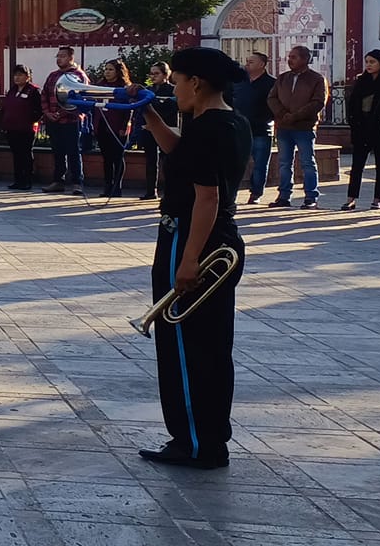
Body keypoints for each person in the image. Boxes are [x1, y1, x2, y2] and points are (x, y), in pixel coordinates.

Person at [134, 46, 250, 470]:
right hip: (214, 239)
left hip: (193, 238)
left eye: (178, 81)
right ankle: (205, 438)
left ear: (195, 83)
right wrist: (149, 115)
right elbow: (181, 154)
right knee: (210, 344)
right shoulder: (228, 121)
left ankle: (194, 442)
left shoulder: (208, 129)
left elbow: (207, 197)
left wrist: (188, 259)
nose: (175, 89)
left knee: (185, 345)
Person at [267, 45, 327, 209]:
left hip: (304, 127)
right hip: (284, 127)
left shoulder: (316, 79)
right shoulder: (283, 78)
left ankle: (311, 197)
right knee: (284, 163)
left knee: (307, 162)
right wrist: (282, 113)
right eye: (290, 56)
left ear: (305, 59)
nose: (290, 60)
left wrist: (295, 116)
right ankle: (284, 196)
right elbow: (272, 98)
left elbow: (318, 102)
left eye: (294, 57)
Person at [342, 49, 380, 211]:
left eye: (372, 62)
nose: (368, 65)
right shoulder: (361, 82)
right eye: (367, 61)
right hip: (362, 129)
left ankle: (377, 199)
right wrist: (354, 122)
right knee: (357, 166)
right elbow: (352, 105)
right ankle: (351, 198)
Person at [40, 47, 89, 194]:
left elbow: (80, 98)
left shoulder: (79, 76)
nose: (59, 59)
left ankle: (77, 183)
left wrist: (61, 113)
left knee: (73, 151)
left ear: (70, 58)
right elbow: (45, 94)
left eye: (62, 56)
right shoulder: (53, 76)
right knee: (57, 152)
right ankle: (58, 181)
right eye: (58, 56)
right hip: (53, 121)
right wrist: (48, 112)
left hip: (71, 120)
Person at [231, 52, 273, 205]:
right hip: (240, 129)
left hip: (261, 129)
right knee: (236, 164)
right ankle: (232, 194)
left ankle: (256, 193)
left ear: (262, 65)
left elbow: (275, 104)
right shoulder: (239, 82)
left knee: (260, 164)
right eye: (247, 61)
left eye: (251, 62)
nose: (247, 64)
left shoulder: (271, 83)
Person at [91, 59, 136, 199]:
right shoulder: (100, 85)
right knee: (107, 158)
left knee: (117, 157)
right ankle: (107, 186)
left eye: (111, 69)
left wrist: (124, 127)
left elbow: (128, 110)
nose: (107, 72)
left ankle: (117, 187)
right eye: (106, 69)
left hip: (117, 127)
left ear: (118, 71)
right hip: (102, 125)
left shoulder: (124, 87)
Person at [0, 65, 45, 192]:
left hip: (26, 128)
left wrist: (30, 119)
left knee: (26, 154)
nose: (17, 77)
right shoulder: (12, 91)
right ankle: (18, 180)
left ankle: (27, 180)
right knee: (16, 154)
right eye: (15, 75)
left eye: (20, 75)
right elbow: (6, 107)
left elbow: (39, 110)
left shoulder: (34, 91)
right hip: (12, 127)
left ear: (27, 76)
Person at [138, 61, 178, 200]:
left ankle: (170, 191)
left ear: (166, 74)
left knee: (168, 161)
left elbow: (171, 108)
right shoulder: (148, 90)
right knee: (150, 159)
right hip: (149, 128)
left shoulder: (173, 90)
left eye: (157, 73)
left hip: (167, 128)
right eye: (152, 73)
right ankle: (150, 191)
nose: (153, 76)